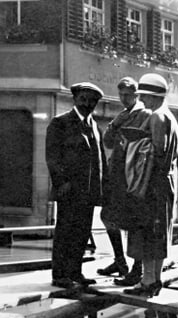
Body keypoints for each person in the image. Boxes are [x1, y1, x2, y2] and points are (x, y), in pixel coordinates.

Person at [122, 73, 178, 297]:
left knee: (147, 231)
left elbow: (156, 152)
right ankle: (156, 279)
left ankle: (147, 281)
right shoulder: (172, 118)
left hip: (153, 182)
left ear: (154, 97)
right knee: (161, 232)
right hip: (167, 182)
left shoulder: (156, 117)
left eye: (145, 97)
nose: (143, 101)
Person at [46, 82, 107, 288]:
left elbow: (100, 162)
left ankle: (75, 272)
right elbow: (52, 157)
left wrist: (102, 189)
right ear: (75, 99)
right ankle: (60, 275)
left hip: (88, 193)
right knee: (65, 232)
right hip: (69, 191)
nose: (87, 104)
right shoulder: (60, 123)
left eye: (92, 101)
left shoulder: (95, 127)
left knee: (82, 233)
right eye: (83, 99)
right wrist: (61, 182)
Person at [98, 77, 147, 282]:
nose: (124, 99)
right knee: (108, 216)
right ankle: (120, 260)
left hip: (132, 175)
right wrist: (113, 124)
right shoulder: (123, 115)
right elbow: (108, 142)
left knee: (134, 221)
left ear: (137, 95)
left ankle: (137, 267)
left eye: (128, 95)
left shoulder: (143, 115)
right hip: (116, 174)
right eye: (121, 95)